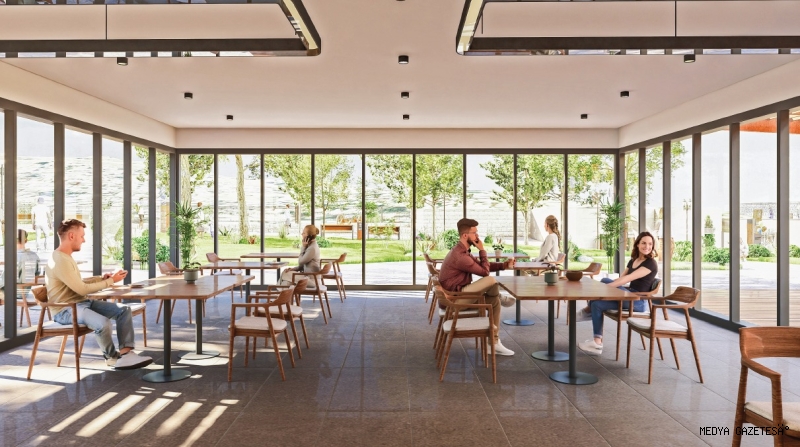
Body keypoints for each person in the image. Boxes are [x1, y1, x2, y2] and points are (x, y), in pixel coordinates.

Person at [45, 219, 152, 369]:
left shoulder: (65, 257)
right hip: (66, 310)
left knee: (123, 310)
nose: (83, 240)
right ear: (71, 236)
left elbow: (77, 283)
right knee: (102, 323)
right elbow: (82, 289)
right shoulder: (59, 259)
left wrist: (102, 279)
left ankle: (126, 354)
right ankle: (112, 358)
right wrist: (111, 281)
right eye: (82, 236)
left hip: (80, 303)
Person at [437, 218, 517, 356]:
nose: (477, 236)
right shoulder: (460, 256)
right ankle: (499, 296)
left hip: (458, 295)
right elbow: (485, 272)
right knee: (490, 280)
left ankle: (493, 344)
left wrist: (504, 265)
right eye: (474, 233)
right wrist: (482, 250)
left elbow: (481, 265)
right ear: (465, 235)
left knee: (494, 302)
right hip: (455, 300)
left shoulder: (463, 251)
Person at [578, 231, 658, 355]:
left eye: (650, 244)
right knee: (597, 304)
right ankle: (597, 343)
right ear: (637, 244)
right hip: (628, 295)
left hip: (637, 301)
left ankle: (586, 311)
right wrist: (605, 287)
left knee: (605, 283)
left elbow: (627, 279)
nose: (647, 246)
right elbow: (620, 279)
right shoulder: (633, 261)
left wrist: (602, 289)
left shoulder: (651, 263)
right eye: (643, 243)